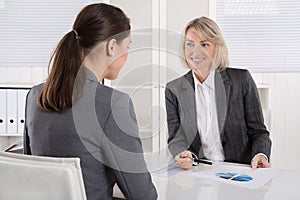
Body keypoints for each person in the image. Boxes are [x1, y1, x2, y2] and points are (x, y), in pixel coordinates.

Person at [23, 3, 157, 200]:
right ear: (112, 46)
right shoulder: (112, 103)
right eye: (127, 47)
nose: (127, 55)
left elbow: (32, 170)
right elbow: (142, 195)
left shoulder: (34, 96)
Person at [165, 16, 271, 170]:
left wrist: (260, 154)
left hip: (239, 170)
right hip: (199, 170)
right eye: (190, 44)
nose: (195, 51)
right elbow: (176, 137)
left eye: (204, 44)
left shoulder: (241, 80)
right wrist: (181, 153)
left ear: (216, 48)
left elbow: (259, 132)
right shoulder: (173, 89)